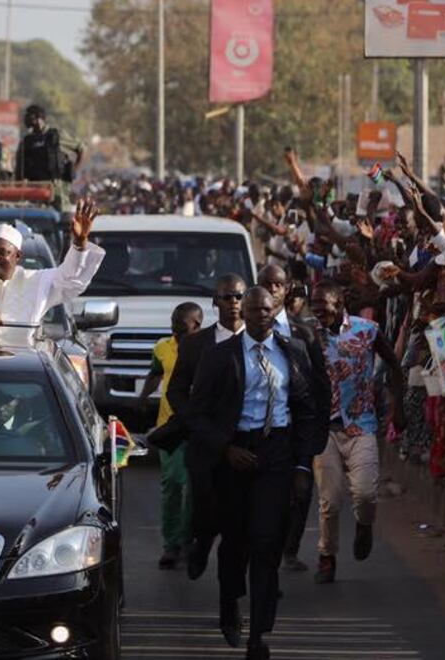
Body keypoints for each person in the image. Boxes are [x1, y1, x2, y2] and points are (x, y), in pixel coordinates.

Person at [183, 287, 328, 660]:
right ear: (242, 314)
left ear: (274, 311)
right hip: (233, 455)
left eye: (267, 310)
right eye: (253, 310)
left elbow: (308, 409)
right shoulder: (220, 356)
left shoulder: (293, 352)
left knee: (266, 542)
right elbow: (196, 414)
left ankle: (258, 635)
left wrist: (302, 464)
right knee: (235, 541)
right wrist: (225, 448)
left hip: (276, 454)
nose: (261, 316)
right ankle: (230, 602)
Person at [308, 280, 403, 583]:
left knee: (364, 493)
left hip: (361, 424)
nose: (317, 309)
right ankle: (327, 556)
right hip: (324, 428)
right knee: (330, 500)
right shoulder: (308, 334)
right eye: (314, 303)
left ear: (339, 304)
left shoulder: (368, 330)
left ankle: (364, 524)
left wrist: (398, 406)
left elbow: (394, 365)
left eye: (323, 304)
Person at [165, 274, 246, 581]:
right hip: (205, 443)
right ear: (215, 302)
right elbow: (176, 390)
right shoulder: (195, 344)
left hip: (247, 442)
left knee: (245, 517)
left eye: (239, 296)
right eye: (227, 297)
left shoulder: (261, 342)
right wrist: (192, 420)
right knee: (205, 507)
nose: (234, 303)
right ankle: (200, 544)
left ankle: (254, 579)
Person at [257, 264, 330, 573]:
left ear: (286, 289)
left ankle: (290, 549)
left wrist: (316, 431)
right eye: (267, 283)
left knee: (300, 490)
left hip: (297, 427)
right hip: (261, 427)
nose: (273, 289)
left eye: (278, 284)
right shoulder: (245, 331)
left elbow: (320, 384)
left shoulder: (304, 333)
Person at [0, 199, 104, 330]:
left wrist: (80, 243)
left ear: (17, 256)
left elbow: (70, 280)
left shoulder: (37, 282)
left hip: (23, 359)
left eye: (1, 252)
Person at [139, 302, 203, 570]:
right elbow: (155, 373)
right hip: (169, 428)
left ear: (196, 325)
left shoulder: (207, 349)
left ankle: (188, 538)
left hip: (197, 427)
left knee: (194, 487)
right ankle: (171, 544)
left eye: (181, 325)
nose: (175, 330)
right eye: (173, 324)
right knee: (173, 484)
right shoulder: (162, 347)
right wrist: (143, 397)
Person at [13, 104, 84, 214]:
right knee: (37, 219)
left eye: (29, 116)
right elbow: (19, 169)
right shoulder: (27, 141)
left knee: (62, 218)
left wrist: (74, 170)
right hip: (36, 189)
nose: (26, 119)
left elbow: (80, 148)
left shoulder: (57, 136)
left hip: (57, 189)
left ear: (38, 118)